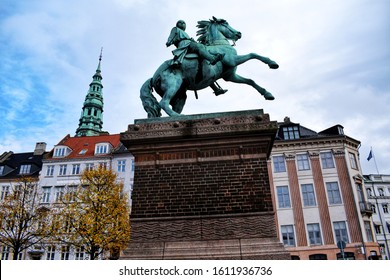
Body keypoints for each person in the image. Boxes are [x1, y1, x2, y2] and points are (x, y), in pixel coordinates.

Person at [166, 20, 227, 95]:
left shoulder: (185, 33)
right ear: (177, 24)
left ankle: (216, 89)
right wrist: (169, 41)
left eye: (183, 23)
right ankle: (213, 59)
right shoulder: (175, 29)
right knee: (200, 47)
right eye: (180, 22)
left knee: (204, 61)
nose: (182, 23)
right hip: (185, 44)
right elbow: (171, 36)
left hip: (189, 43)